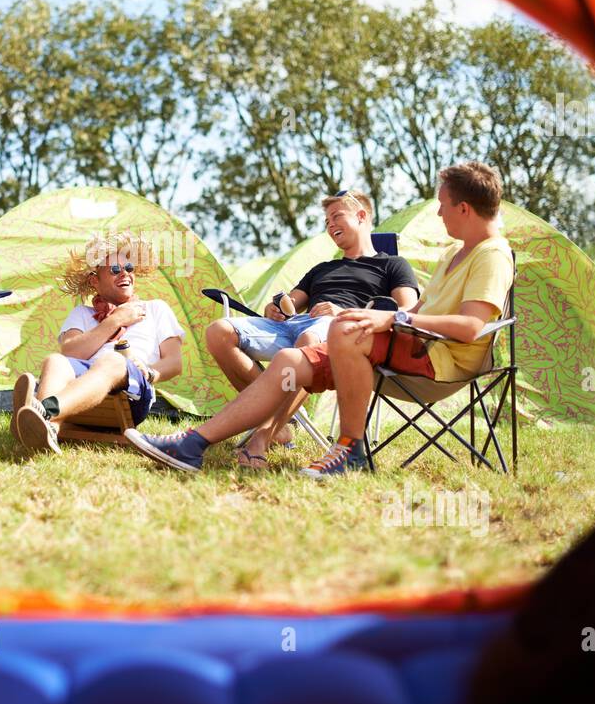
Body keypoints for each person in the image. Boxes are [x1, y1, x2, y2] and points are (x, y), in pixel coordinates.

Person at [125, 162, 513, 479]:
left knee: (336, 330)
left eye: (443, 204)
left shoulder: (491, 255)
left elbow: (470, 328)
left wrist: (384, 317)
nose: (439, 211)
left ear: (464, 208)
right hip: (399, 346)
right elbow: (415, 315)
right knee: (290, 361)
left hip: (440, 361)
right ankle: (193, 443)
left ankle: (350, 448)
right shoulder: (453, 254)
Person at [204, 188, 418, 467]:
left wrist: (344, 313)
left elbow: (406, 312)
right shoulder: (322, 268)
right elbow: (292, 302)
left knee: (308, 340)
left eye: (336, 216)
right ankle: (279, 422)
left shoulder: (392, 265)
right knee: (218, 331)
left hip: (341, 330)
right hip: (295, 325)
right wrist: (277, 307)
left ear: (362, 216)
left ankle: (263, 436)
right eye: (327, 221)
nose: (330, 226)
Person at [12, 231, 185, 455]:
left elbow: (174, 362)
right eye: (115, 270)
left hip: (132, 392)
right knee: (54, 360)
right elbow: (71, 352)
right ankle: (48, 430)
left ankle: (43, 409)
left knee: (112, 360)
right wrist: (116, 320)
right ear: (95, 280)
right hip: (82, 386)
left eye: (129, 268)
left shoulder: (155, 309)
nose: (125, 274)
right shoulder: (82, 313)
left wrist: (150, 373)